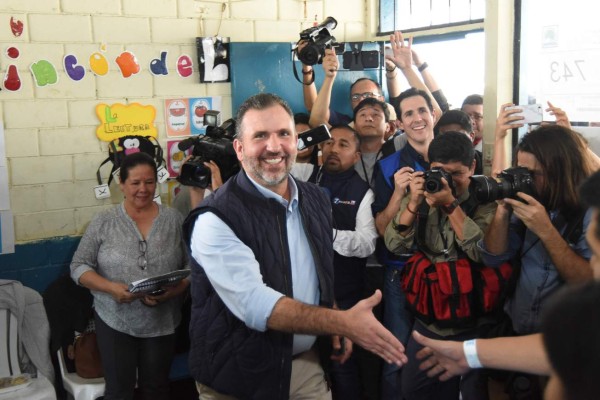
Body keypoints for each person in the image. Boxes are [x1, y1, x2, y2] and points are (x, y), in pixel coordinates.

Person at [184, 93, 406, 400]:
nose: (274, 146)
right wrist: (340, 321)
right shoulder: (215, 218)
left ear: (297, 142)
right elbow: (255, 304)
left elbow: (314, 273)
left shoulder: (315, 198)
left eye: (284, 134)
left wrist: (334, 314)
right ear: (239, 147)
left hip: (304, 368)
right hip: (237, 376)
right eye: (260, 135)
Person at [384, 131, 496, 400]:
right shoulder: (423, 195)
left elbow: (482, 253)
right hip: (430, 322)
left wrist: (449, 205)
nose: (446, 180)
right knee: (413, 389)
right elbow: (394, 245)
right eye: (439, 171)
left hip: (473, 322)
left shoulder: (484, 199)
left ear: (472, 167)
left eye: (456, 173)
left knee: (470, 393)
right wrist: (412, 202)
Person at [70, 152, 189, 400]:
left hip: (162, 322)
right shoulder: (104, 221)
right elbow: (79, 266)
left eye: (149, 182)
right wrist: (110, 288)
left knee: (157, 389)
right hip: (115, 320)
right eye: (135, 183)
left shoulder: (174, 220)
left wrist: (176, 290)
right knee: (119, 392)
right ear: (122, 185)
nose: (143, 189)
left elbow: (193, 268)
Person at [480, 124, 594, 337]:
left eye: (532, 174)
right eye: (520, 171)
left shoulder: (591, 213)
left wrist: (547, 232)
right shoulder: (526, 201)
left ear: (561, 172)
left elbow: (587, 284)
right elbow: (492, 257)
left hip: (565, 339)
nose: (524, 180)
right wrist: (503, 209)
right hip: (516, 325)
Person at [298, 125, 379, 399]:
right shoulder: (305, 175)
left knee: (342, 363)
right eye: (330, 143)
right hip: (304, 293)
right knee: (306, 363)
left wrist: (327, 235)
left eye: (343, 145)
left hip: (345, 295)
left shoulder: (363, 192)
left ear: (356, 156)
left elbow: (367, 243)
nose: (334, 149)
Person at [434, 109, 483, 174]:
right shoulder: (434, 163)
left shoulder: (483, 164)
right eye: (446, 137)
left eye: (458, 137)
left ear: (472, 136)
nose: (452, 143)